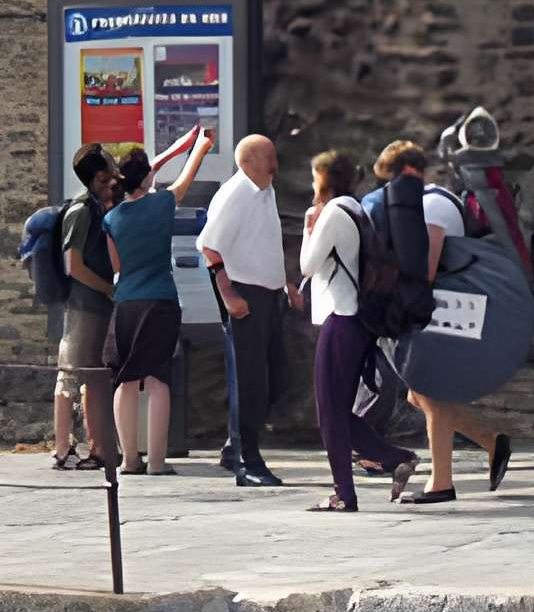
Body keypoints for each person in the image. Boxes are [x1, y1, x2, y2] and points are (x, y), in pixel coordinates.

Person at [376, 139, 513, 506]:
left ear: (405, 172)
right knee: (417, 394)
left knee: (431, 394)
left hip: (437, 312)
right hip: (439, 311)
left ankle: (442, 483)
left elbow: (428, 266)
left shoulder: (433, 206)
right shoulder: (432, 202)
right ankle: (490, 439)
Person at [299, 149, 415, 512]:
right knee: (337, 409)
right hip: (359, 321)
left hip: (341, 317)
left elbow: (307, 264)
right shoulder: (358, 208)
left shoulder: (332, 213)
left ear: (324, 179)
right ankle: (394, 458)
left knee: (329, 411)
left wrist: (308, 226)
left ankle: (344, 494)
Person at [102, 126, 212, 477]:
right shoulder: (162, 204)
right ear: (147, 176)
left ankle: (130, 459)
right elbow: (185, 179)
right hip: (160, 300)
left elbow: (115, 265)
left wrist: (173, 150)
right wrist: (200, 148)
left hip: (126, 305)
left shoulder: (111, 218)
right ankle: (159, 462)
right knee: (158, 381)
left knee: (126, 381)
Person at [199, 132, 291, 488]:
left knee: (277, 378)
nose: (276, 163)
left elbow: (261, 244)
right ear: (248, 162)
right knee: (250, 382)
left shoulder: (264, 190)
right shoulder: (236, 195)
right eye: (269, 157)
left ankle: (232, 446)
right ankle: (246, 460)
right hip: (244, 297)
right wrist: (228, 294)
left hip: (267, 296)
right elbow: (209, 246)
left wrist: (285, 283)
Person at [49, 143, 120, 473]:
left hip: (98, 305)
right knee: (69, 375)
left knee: (90, 374)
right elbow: (73, 265)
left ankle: (95, 446)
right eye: (104, 178)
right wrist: (108, 288)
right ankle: (62, 448)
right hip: (83, 306)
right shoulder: (80, 212)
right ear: (92, 178)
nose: (110, 184)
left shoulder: (96, 208)